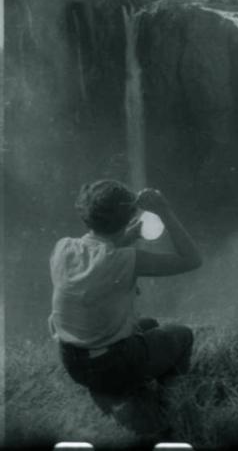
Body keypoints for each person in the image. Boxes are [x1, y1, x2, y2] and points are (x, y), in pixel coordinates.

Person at [48, 179, 202, 432]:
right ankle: (166, 411)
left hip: (72, 360)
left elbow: (93, 269)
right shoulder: (125, 260)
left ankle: (115, 393)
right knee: (182, 335)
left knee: (149, 325)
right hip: (109, 364)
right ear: (130, 216)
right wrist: (164, 211)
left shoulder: (63, 247)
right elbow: (192, 260)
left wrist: (119, 240)